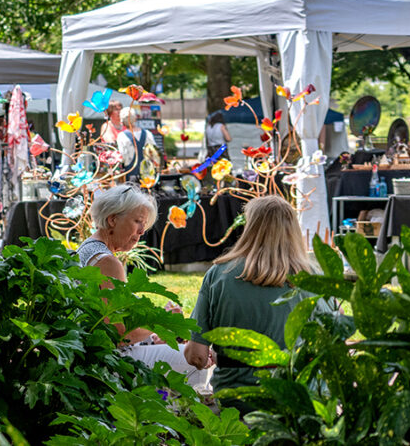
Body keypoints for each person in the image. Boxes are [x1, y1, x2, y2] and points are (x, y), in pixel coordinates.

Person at [183, 195, 320, 401]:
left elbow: (196, 356)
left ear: (250, 228)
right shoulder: (315, 279)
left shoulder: (219, 274)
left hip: (236, 399)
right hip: (299, 399)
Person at [76, 184, 210, 390]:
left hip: (94, 355)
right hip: (107, 365)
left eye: (144, 224)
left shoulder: (89, 247)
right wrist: (161, 324)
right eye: (137, 221)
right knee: (196, 360)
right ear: (113, 219)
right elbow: (118, 334)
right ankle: (176, 416)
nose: (142, 231)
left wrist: (150, 335)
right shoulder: (107, 262)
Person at [116, 108, 157, 181]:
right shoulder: (147, 134)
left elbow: (122, 157)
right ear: (135, 118)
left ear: (122, 121)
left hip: (131, 172)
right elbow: (155, 153)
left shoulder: (121, 136)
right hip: (148, 173)